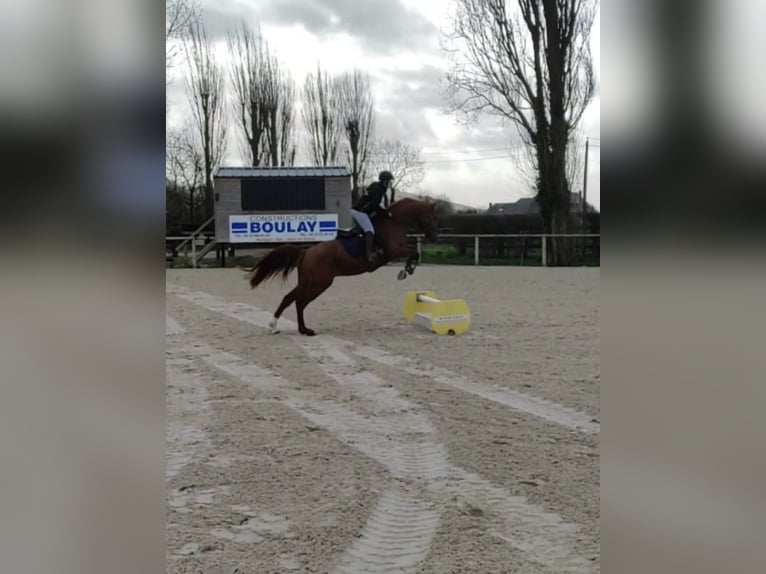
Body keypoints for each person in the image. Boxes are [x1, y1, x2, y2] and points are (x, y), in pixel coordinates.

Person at [351, 170, 394, 262]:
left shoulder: (377, 186)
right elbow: (375, 205)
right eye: (389, 181)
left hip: (361, 211)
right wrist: (386, 214)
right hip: (359, 212)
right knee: (369, 230)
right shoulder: (379, 189)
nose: (390, 183)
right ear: (385, 181)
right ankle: (368, 255)